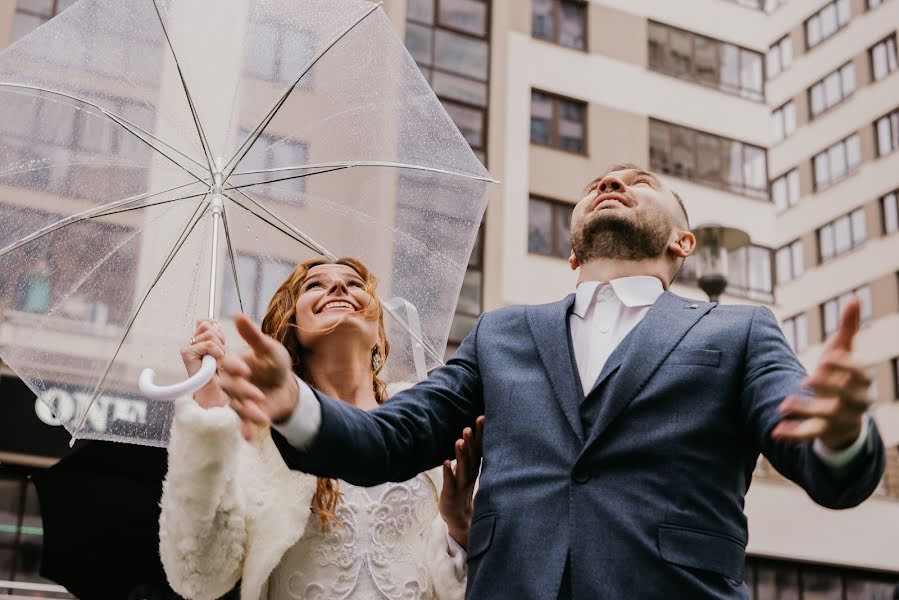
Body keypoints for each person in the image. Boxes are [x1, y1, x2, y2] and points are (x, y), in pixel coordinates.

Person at [220, 164, 885, 599]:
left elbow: (824, 464)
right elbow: (387, 440)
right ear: (570, 251)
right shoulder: (500, 336)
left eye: (638, 181)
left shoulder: (737, 333)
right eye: (596, 182)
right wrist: (295, 405)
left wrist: (842, 432)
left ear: (682, 243)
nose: (611, 182)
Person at [158, 257, 482, 600]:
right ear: (292, 326)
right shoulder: (262, 434)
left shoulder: (426, 424)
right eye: (315, 285)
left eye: (355, 284)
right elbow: (199, 574)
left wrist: (460, 527)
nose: (340, 287)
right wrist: (208, 403)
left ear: (378, 334)